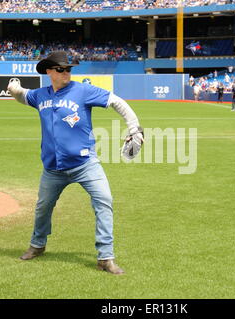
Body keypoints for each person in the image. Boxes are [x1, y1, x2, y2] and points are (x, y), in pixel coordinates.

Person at [7, 51, 144, 275]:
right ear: (49, 71)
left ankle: (105, 257)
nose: (67, 72)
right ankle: (38, 245)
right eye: (61, 69)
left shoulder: (83, 90)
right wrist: (14, 91)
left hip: (85, 164)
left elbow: (116, 102)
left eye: (69, 69)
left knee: (104, 201)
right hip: (53, 169)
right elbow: (24, 96)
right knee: (43, 208)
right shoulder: (41, 95)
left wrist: (134, 127)